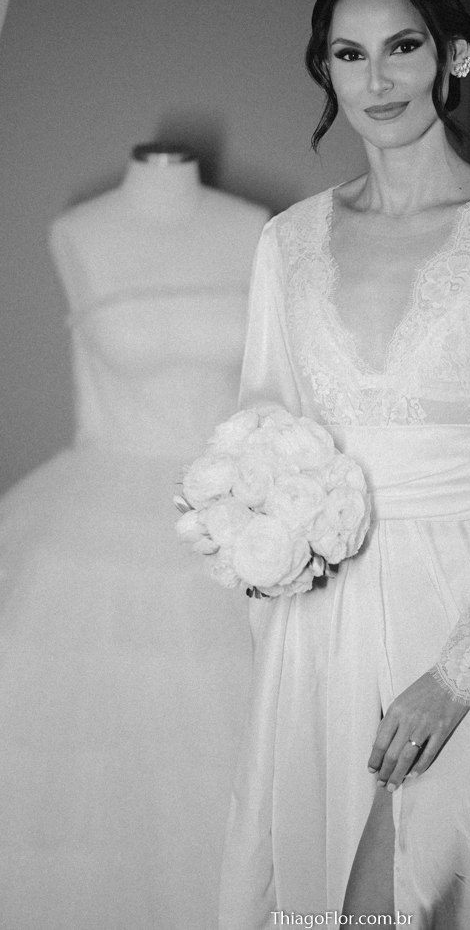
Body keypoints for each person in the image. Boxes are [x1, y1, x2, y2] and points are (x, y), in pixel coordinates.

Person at [219, 0, 470, 930]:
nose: (377, 79)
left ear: (450, 56)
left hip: (464, 616)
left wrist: (453, 677)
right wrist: (261, 553)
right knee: (319, 893)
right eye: (349, 55)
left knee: (420, 888)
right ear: (325, 70)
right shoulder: (286, 243)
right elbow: (262, 439)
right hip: (321, 626)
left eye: (402, 46)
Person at [0, 145, 269, 930]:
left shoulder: (255, 229)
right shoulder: (77, 231)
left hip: (224, 511)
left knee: (222, 757)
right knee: (85, 768)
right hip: (94, 516)